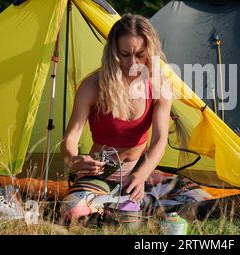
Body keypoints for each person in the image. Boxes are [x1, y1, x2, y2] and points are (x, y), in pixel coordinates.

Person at [60, 14, 172, 221]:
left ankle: (125, 209)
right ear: (113, 52)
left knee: (198, 198)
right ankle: (119, 210)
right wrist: (74, 160)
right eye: (124, 54)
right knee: (73, 212)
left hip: (139, 172)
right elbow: (70, 139)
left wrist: (141, 174)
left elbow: (159, 141)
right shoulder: (92, 86)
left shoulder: (159, 86)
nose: (132, 62)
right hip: (100, 173)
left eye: (140, 54)